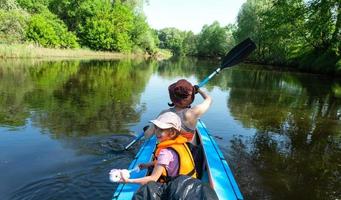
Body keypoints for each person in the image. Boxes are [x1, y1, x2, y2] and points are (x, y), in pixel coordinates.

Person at [119, 112, 197, 185]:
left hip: (178, 189)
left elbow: (153, 179)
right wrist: (148, 165)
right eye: (156, 128)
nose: (157, 132)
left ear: (172, 132)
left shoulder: (165, 152)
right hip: (190, 183)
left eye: (161, 130)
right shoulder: (180, 143)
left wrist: (128, 181)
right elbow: (168, 162)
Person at [144, 79, 212, 142]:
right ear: (191, 98)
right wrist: (199, 90)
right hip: (187, 150)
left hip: (169, 148)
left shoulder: (164, 114)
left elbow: (147, 135)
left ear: (172, 98)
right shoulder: (193, 113)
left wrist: (149, 129)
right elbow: (209, 100)